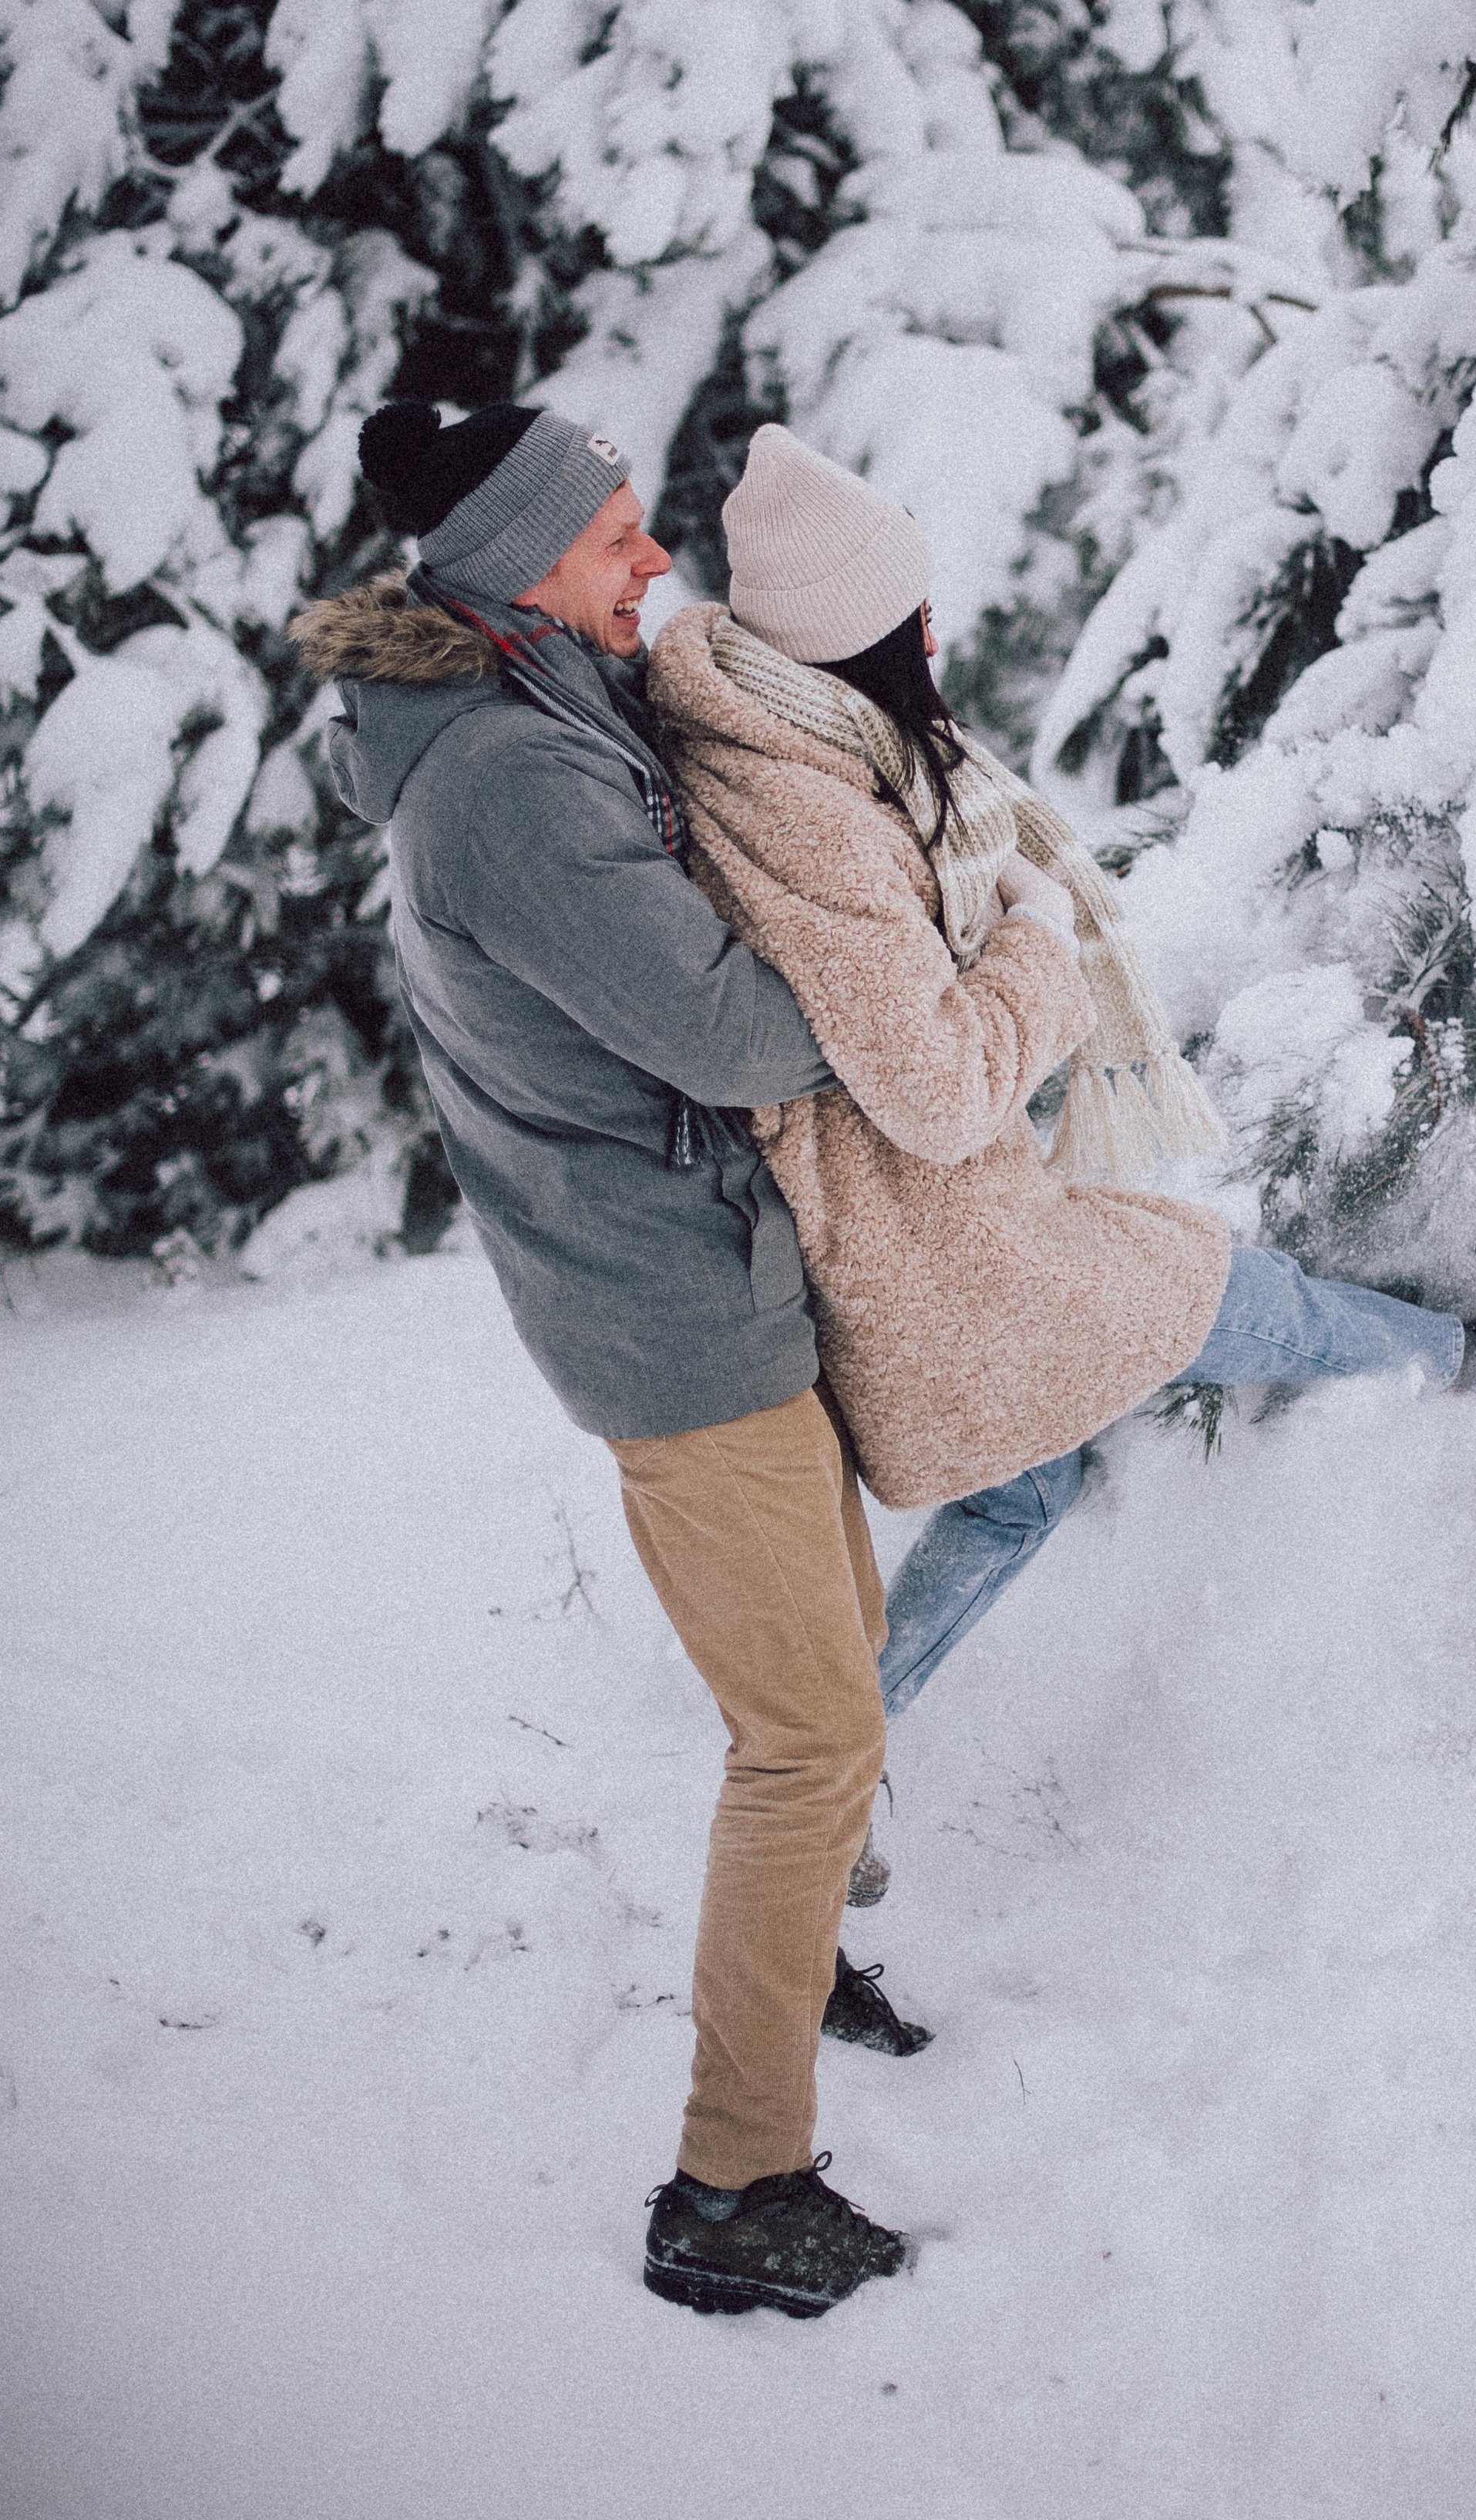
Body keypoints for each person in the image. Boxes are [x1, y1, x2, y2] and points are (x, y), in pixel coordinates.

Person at [645, 425, 1476, 1830]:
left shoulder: (783, 749)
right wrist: (1037, 935)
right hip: (933, 1243)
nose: (934, 634)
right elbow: (936, 1089)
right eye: (910, 612)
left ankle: (829, 1780)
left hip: (907, 1229)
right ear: (848, 636)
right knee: (1233, 1295)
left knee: (1023, 1491)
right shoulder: (806, 813)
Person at [294, 402, 926, 2324]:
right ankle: (734, 2189)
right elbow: (728, 1032)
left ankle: (798, 1955)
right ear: (514, 569)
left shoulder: (539, 701)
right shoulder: (502, 775)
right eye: (616, 538)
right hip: (667, 1306)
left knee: (837, 1660)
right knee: (805, 1737)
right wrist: (905, 1002)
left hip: (698, 1263)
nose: (654, 562)